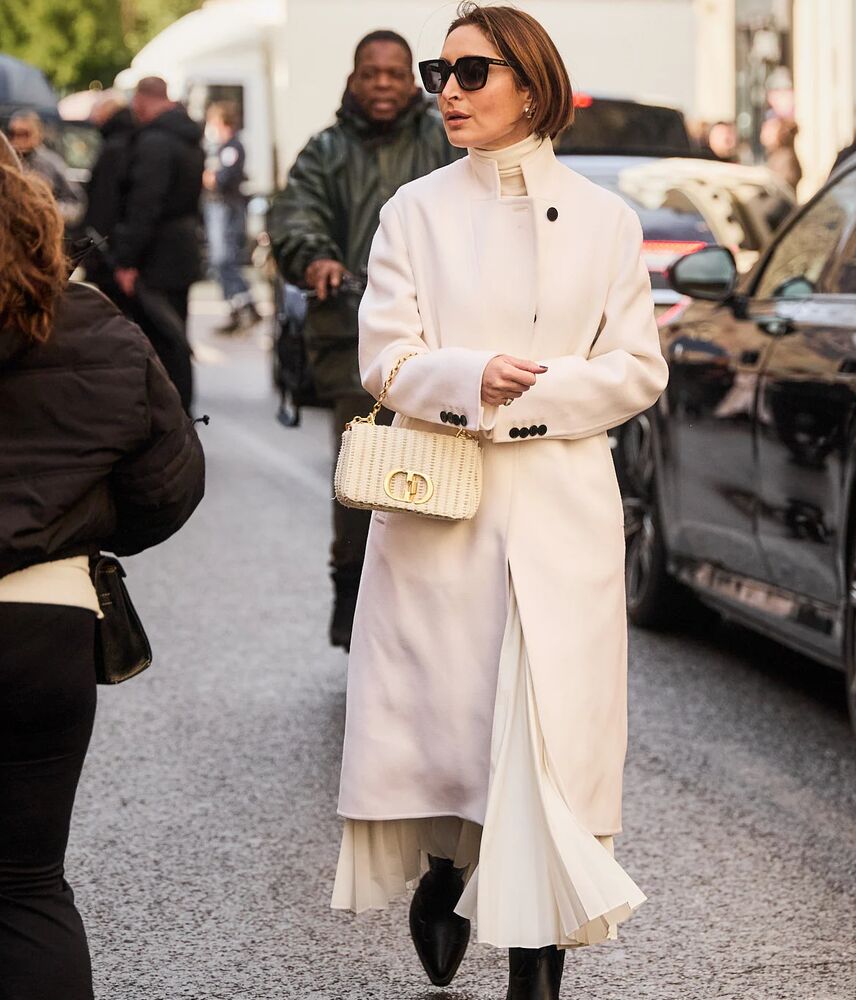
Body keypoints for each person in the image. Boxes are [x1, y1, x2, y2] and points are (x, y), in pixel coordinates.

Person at [330, 5, 670, 998]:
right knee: (450, 730)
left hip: (562, 513)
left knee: (546, 742)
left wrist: (535, 400)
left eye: (471, 72)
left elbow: (638, 366)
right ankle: (444, 870)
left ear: (530, 82)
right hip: (445, 513)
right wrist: (474, 376)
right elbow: (384, 360)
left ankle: (537, 961)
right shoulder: (415, 212)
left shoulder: (606, 220)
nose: (448, 90)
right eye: (442, 71)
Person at [0, 132, 205, 1000]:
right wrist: (74, 523)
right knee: (25, 887)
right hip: (44, 625)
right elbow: (171, 484)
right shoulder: (95, 327)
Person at [269, 30, 462, 651]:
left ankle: (438, 603)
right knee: (367, 473)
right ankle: (352, 592)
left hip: (444, 334)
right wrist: (316, 257)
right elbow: (294, 214)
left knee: (447, 466)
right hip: (351, 337)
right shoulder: (324, 150)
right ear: (353, 79)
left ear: (413, 79)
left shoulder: (443, 139)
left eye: (394, 73)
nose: (382, 84)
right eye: (370, 74)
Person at [113, 76, 204, 413]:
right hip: (181, 249)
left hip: (156, 255)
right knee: (175, 337)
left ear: (141, 101)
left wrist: (127, 259)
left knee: (162, 340)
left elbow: (145, 203)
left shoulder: (155, 141)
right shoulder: (188, 137)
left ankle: (171, 415)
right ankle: (181, 413)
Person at [203, 100, 260, 333]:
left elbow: (219, 179)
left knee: (224, 259)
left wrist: (209, 177)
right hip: (219, 207)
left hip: (227, 208)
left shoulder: (232, 147)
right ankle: (237, 308)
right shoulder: (222, 147)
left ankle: (245, 303)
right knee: (220, 261)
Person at [82, 94, 135, 308]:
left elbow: (105, 200)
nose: (92, 117)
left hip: (109, 242)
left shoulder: (114, 146)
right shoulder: (129, 139)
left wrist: (96, 240)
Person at [6, 109, 84, 225]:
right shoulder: (5, 162)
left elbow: (76, 204)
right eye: (13, 133)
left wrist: (47, 212)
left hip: (42, 232)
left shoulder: (52, 163)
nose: (18, 139)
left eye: (24, 134)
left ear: (38, 133)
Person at [760, 115, 802, 194]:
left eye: (769, 131)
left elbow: (781, 187)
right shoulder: (776, 155)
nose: (763, 134)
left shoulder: (786, 157)